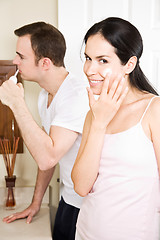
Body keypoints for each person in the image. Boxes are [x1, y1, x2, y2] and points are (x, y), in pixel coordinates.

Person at [71, 17, 160, 240]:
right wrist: (99, 123)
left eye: (102, 60)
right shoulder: (95, 114)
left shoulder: (153, 110)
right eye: (88, 58)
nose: (90, 69)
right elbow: (81, 187)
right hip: (86, 232)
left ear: (129, 64)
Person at [0, 22, 89, 240]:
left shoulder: (75, 97)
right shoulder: (45, 94)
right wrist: (36, 203)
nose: (15, 61)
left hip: (90, 206)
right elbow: (47, 149)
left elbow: (47, 158)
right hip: (68, 198)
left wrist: (16, 103)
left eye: (21, 56)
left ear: (45, 63)